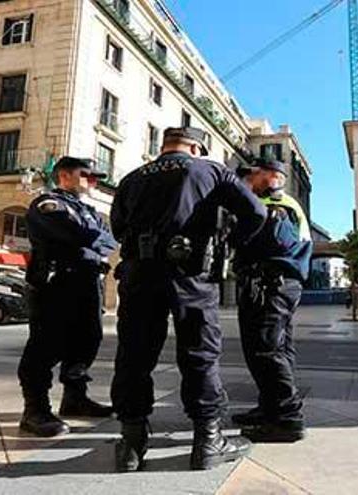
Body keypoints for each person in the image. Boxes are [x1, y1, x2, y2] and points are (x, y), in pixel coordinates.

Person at [110, 127, 267, 472]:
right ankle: (208, 441)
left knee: (134, 353)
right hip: (190, 273)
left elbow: (117, 228)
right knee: (199, 354)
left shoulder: (132, 177)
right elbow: (256, 212)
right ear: (196, 147)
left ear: (164, 146)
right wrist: (228, 246)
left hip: (138, 274)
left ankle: (131, 444)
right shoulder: (209, 170)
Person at [18, 156, 118, 437]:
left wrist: (94, 238)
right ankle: (34, 409)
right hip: (56, 284)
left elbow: (108, 241)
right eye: (86, 175)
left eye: (96, 177)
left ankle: (75, 398)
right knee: (45, 346)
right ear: (64, 175)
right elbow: (80, 235)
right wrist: (94, 238)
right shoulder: (47, 204)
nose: (93, 181)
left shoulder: (86, 209)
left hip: (86, 284)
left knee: (87, 341)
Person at [231, 158, 313, 443]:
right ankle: (270, 408)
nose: (246, 182)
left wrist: (238, 232)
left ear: (270, 176)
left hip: (270, 283)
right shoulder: (279, 203)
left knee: (265, 350)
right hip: (278, 283)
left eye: (250, 176)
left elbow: (274, 241)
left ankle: (288, 418)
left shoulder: (276, 205)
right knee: (278, 349)